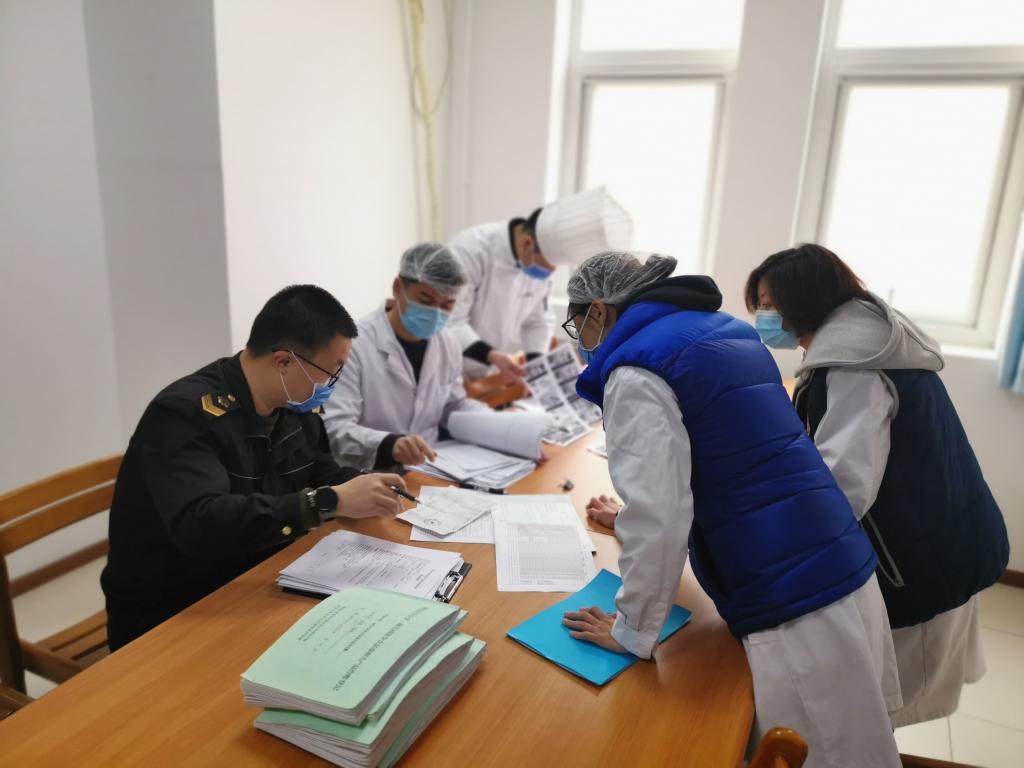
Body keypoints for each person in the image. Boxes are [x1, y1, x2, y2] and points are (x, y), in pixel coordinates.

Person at [560, 252, 902, 767]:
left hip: (792, 601)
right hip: (840, 567)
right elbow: (733, 458)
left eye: (577, 325)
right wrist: (631, 516)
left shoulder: (635, 370)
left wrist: (631, 630)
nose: (580, 340)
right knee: (860, 749)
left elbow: (660, 518)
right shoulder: (724, 331)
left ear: (599, 311)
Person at [745, 243, 1009, 728]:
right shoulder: (861, 338)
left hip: (919, 556)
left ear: (803, 299)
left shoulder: (854, 365)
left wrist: (763, 534)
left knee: (879, 713)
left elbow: (843, 488)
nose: (762, 317)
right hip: (942, 534)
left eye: (767, 304)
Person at [101, 285, 407, 649]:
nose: (330, 385)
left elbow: (321, 471)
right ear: (284, 362)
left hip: (260, 578)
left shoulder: (293, 405)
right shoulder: (184, 415)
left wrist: (364, 487)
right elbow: (202, 523)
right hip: (175, 606)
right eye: (330, 372)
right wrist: (326, 501)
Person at [323, 243, 490, 470]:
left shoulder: (448, 343)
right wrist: (389, 444)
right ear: (397, 288)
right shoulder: (353, 344)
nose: (436, 313)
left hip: (432, 468)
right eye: (426, 300)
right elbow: (334, 427)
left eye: (447, 305)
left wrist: (497, 423)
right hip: (368, 473)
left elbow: (454, 404)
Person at [447, 186, 633, 381]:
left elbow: (537, 322)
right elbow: (451, 321)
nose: (550, 272)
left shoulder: (538, 260)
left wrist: (535, 363)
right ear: (527, 244)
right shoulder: (470, 250)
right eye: (547, 265)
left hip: (486, 373)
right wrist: (491, 355)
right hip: (449, 368)